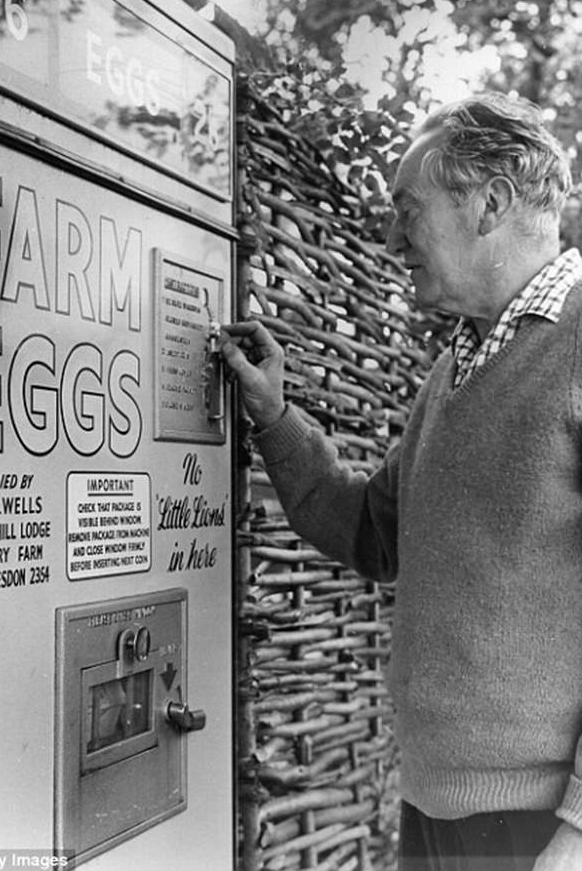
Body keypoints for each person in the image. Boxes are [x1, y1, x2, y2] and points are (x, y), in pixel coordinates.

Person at [221, 93, 582, 871]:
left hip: (542, 829)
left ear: (489, 203)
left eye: (408, 211)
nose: (392, 239)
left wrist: (580, 833)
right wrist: (275, 416)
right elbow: (373, 532)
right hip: (433, 806)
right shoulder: (457, 367)